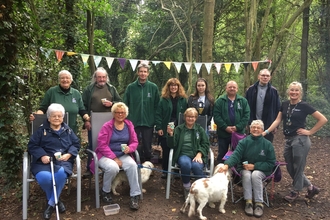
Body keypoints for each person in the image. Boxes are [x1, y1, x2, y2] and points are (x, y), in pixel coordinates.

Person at [263, 81, 327, 202]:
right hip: (288, 140)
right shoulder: (285, 104)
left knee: (298, 167)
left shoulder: (304, 106)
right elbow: (277, 120)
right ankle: (310, 187)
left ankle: (295, 191)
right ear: (288, 91)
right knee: (290, 167)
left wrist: (309, 132)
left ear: (300, 92)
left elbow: (323, 119)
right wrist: (265, 132)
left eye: (296, 90)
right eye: (292, 90)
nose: (294, 92)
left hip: (300, 140)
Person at [28, 103, 80, 220]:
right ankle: (57, 200)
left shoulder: (68, 130)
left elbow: (76, 144)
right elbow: (32, 145)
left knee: (61, 175)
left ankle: (51, 204)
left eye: (59, 116)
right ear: (48, 117)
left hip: (63, 161)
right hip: (43, 162)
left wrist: (69, 154)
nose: (57, 118)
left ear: (62, 117)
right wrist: (42, 155)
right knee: (45, 178)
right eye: (53, 116)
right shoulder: (41, 130)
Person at [218, 120, 276, 218]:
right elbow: (235, 155)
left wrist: (255, 166)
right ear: (250, 129)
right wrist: (226, 165)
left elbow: (271, 163)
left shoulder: (267, 144)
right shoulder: (244, 142)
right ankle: (248, 202)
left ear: (262, 130)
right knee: (247, 174)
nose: (256, 129)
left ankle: (258, 203)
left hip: (262, 170)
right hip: (244, 168)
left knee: (255, 174)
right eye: (253, 127)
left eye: (258, 127)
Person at [89, 102, 141, 210]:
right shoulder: (107, 126)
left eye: (122, 112)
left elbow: (135, 142)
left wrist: (130, 148)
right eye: (117, 112)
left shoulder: (129, 125)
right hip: (105, 155)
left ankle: (134, 195)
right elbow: (101, 144)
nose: (120, 114)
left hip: (122, 154)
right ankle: (105, 191)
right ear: (113, 113)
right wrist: (114, 158)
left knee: (132, 165)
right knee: (113, 167)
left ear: (125, 114)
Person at [82, 67, 122, 176]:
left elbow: (120, 103)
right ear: (95, 78)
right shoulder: (89, 89)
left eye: (103, 77)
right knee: (93, 144)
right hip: (93, 121)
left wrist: (112, 104)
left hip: (110, 122)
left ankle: (108, 167)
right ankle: (90, 169)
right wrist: (86, 120)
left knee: (109, 144)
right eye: (99, 77)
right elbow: (83, 106)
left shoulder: (112, 88)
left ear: (106, 78)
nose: (101, 79)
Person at [167, 108, 210, 199]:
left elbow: (206, 144)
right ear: (185, 117)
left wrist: (200, 153)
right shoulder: (179, 129)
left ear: (196, 118)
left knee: (196, 166)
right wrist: (171, 135)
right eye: (189, 116)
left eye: (193, 117)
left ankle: (203, 189)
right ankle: (187, 187)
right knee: (186, 164)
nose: (191, 119)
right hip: (183, 154)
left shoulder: (200, 129)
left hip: (196, 155)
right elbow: (172, 145)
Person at [123, 63, 160, 162]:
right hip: (133, 122)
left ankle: (147, 165)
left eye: (145, 71)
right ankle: (133, 164)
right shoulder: (131, 87)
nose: (143, 73)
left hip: (148, 122)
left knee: (147, 145)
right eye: (141, 71)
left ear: (148, 73)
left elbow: (157, 106)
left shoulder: (153, 87)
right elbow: (124, 104)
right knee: (133, 144)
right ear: (138, 73)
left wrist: (155, 121)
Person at [155, 78, 187, 179]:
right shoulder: (163, 99)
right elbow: (158, 114)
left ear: (178, 87)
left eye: (175, 85)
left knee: (178, 149)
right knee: (166, 149)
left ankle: (176, 170)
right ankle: (165, 170)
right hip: (166, 127)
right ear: (168, 87)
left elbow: (186, 114)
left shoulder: (183, 99)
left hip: (179, 128)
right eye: (171, 85)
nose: (174, 87)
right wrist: (159, 127)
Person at [213, 80, 250, 163]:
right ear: (226, 88)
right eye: (230, 87)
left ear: (237, 89)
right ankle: (221, 172)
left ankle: (237, 174)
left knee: (238, 154)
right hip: (223, 133)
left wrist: (238, 127)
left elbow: (246, 116)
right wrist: (225, 127)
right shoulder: (220, 101)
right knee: (222, 154)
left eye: (234, 87)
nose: (232, 88)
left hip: (238, 134)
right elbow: (217, 116)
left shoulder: (243, 101)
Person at [245, 69, 280, 142]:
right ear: (258, 77)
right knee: (251, 147)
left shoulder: (273, 91)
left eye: (267, 76)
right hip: (253, 124)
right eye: (263, 75)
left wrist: (276, 126)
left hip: (268, 125)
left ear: (270, 77)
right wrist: (246, 123)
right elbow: (246, 108)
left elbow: (277, 109)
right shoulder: (251, 90)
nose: (265, 77)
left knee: (266, 148)